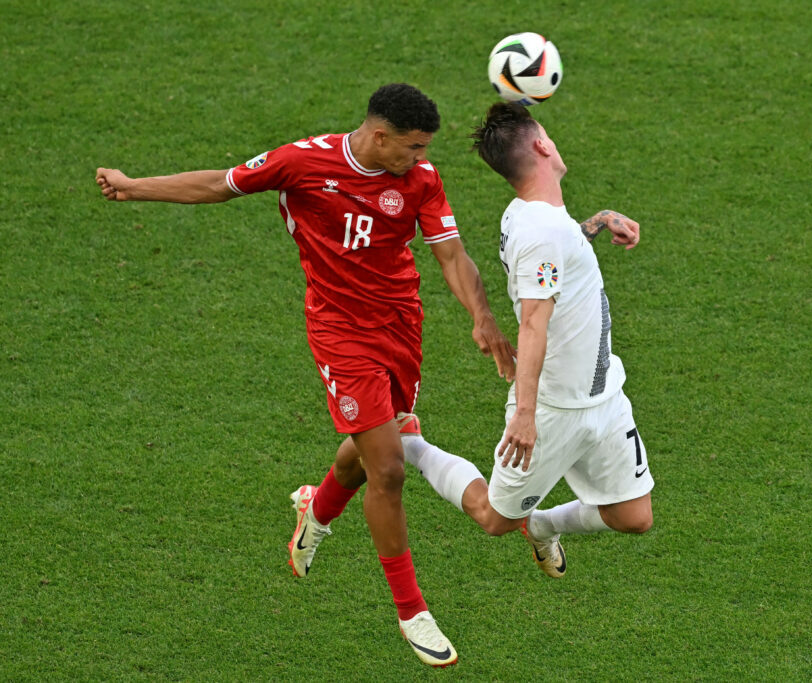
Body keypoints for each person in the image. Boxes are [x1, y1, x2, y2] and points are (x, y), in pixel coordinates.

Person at [95, 83, 516, 668]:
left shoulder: (420, 179)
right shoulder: (302, 163)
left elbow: (451, 254)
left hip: (401, 327)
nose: (422, 157)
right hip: (340, 334)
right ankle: (411, 610)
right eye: (414, 146)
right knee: (389, 468)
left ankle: (316, 509)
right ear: (379, 136)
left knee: (373, 445)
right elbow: (220, 184)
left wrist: (483, 318)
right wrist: (134, 186)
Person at [399, 101, 653, 581]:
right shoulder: (541, 231)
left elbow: (561, 254)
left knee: (634, 516)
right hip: (553, 409)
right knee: (495, 519)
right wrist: (526, 414)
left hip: (604, 398)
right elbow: (533, 324)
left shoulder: (537, 218)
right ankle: (412, 444)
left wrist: (599, 221)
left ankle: (541, 525)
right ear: (541, 145)